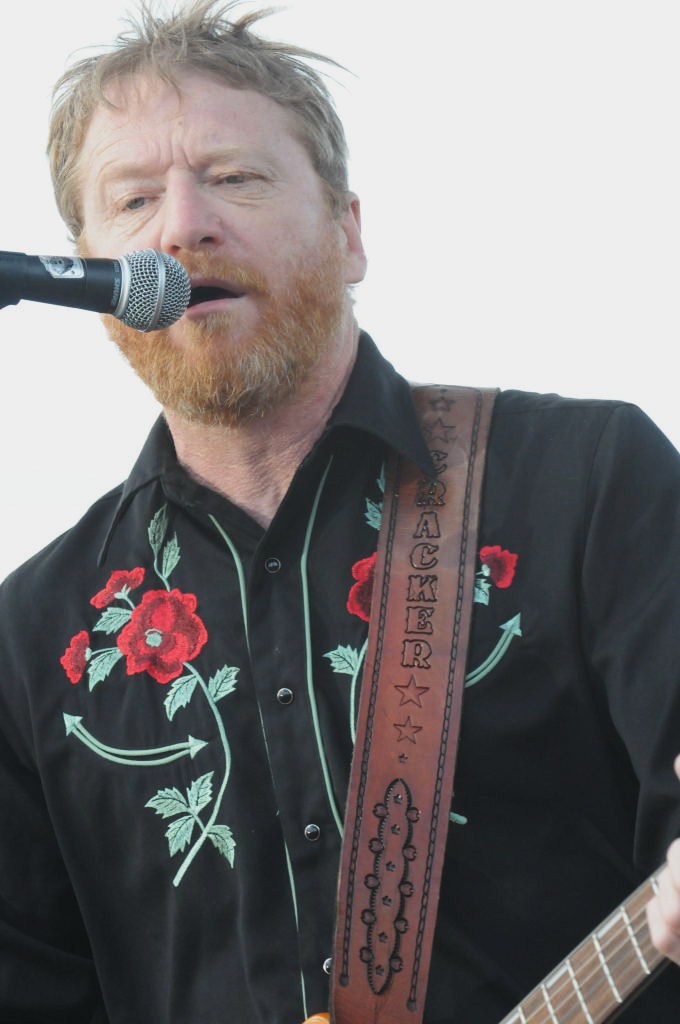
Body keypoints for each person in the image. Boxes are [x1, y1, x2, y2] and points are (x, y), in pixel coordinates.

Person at [1, 2, 680, 1022]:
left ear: (349, 233)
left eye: (235, 177)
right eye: (133, 199)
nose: (183, 225)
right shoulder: (29, 638)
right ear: (93, 273)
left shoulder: (586, 481)